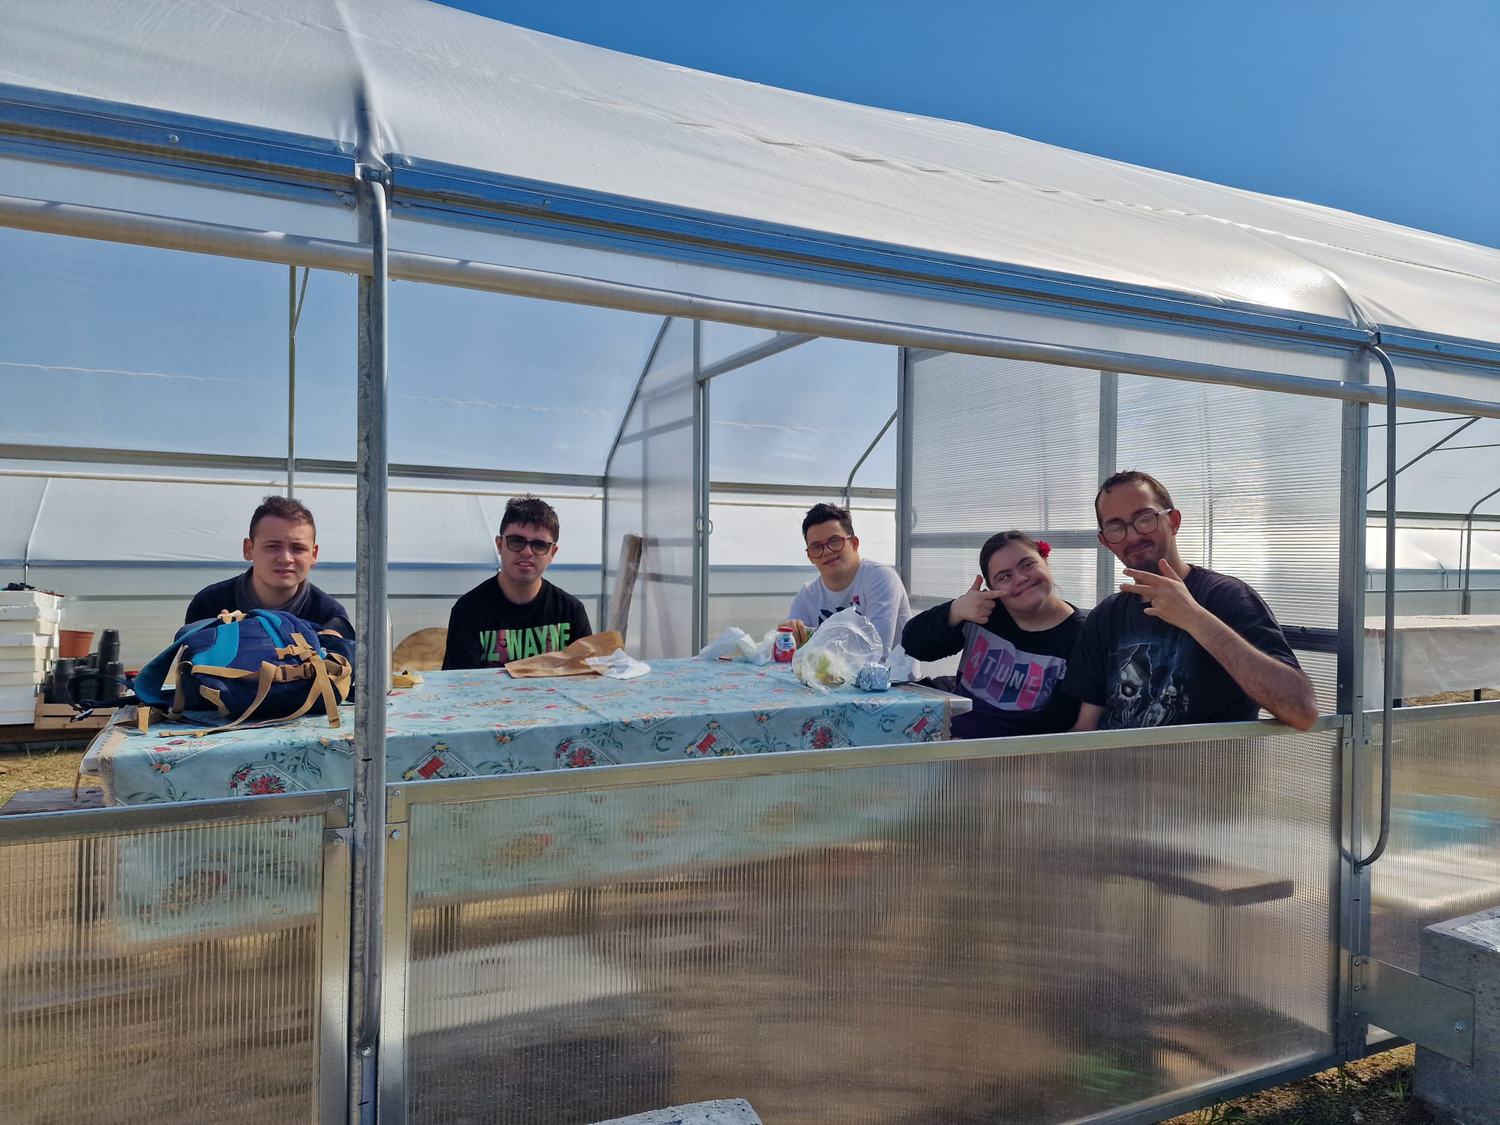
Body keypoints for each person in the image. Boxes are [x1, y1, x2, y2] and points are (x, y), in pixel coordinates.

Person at [1062, 470, 1318, 731]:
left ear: (1173, 521)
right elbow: (1086, 727)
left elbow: (1301, 712)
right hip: (1116, 758)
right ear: (1105, 541)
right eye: (1116, 528)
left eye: (1145, 519)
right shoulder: (1106, 616)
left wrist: (1195, 618)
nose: (1134, 536)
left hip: (1206, 759)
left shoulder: (1227, 597)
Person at [901, 531, 1083, 739]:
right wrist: (954, 610)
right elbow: (914, 645)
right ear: (991, 588)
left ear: (1045, 560)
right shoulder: (984, 610)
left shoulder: (1080, 636)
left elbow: (1059, 723)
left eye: (1027, 564)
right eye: (1004, 576)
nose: (1021, 578)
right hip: (949, 733)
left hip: (1010, 751)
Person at [443, 495, 593, 670]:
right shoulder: (468, 611)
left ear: (552, 553)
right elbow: (458, 683)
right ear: (499, 545)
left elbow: (587, 679)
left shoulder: (571, 612)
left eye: (539, 545)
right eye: (516, 541)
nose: (527, 552)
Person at [184, 495, 353, 635]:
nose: (286, 558)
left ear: (313, 554)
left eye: (298, 548)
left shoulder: (329, 617)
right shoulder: (209, 604)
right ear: (249, 549)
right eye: (272, 546)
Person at [784, 502, 913, 657]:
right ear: (810, 556)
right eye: (817, 547)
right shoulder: (808, 594)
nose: (827, 551)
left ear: (854, 543)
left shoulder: (880, 578)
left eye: (834, 541)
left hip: (893, 673)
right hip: (830, 673)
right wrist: (789, 634)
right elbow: (792, 651)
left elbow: (877, 651)